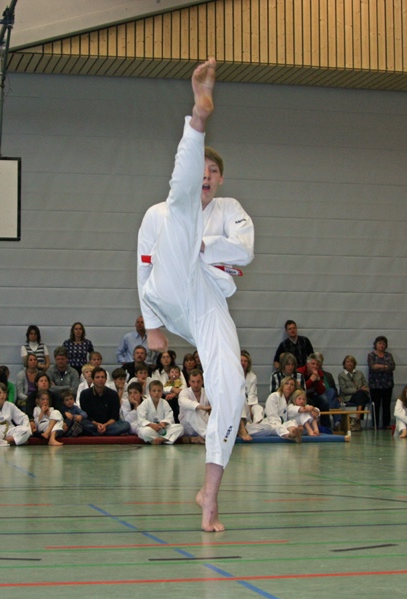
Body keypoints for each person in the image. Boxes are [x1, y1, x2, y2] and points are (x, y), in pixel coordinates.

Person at [136, 59, 253, 531]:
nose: (206, 176)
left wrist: (207, 248)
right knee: (180, 210)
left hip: (206, 302)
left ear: (220, 179)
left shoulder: (230, 209)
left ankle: (210, 495)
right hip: (168, 290)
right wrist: (152, 324)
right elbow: (143, 267)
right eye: (201, 168)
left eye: (212, 171)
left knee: (232, 389)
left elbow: (244, 252)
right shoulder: (158, 214)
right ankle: (198, 118)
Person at [79, 367, 132, 436]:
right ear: (93, 379)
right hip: (92, 423)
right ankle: (105, 432)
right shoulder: (85, 394)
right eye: (97, 377)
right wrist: (97, 424)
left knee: (126, 425)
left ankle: (96, 433)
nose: (100, 379)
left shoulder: (113, 394)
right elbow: (86, 415)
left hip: (109, 424)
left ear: (106, 379)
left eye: (102, 377)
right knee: (81, 423)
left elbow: (115, 416)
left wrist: (105, 425)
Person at [137, 380, 184, 444]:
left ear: (162, 392)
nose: (156, 393)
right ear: (150, 392)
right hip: (150, 429)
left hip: (162, 429)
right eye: (154, 391)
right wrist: (152, 425)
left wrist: (164, 423)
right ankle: (166, 438)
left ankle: (160, 439)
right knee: (144, 432)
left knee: (180, 427)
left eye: (159, 391)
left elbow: (170, 417)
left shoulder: (165, 403)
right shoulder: (145, 403)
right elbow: (141, 420)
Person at [262, 376, 304, 442]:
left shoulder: (293, 400)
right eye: (286, 383)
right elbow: (272, 416)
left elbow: (299, 410)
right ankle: (288, 435)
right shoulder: (274, 396)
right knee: (275, 427)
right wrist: (283, 426)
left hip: (285, 424)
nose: (289, 386)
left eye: (292, 384)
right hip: (271, 423)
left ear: (294, 388)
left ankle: (294, 432)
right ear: (282, 386)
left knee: (292, 422)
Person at [368, 336, 396, 430]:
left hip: (387, 384)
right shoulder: (371, 355)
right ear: (375, 344)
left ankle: (386, 424)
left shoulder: (389, 355)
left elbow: (392, 366)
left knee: (386, 405)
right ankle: (375, 424)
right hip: (374, 384)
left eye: (383, 344)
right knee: (375, 405)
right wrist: (385, 366)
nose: (381, 345)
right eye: (379, 343)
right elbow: (372, 367)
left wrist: (379, 366)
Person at [178, 369, 212, 441]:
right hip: (188, 427)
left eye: (198, 381)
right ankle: (207, 436)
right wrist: (202, 407)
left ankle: (206, 435)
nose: (196, 385)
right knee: (192, 410)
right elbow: (183, 402)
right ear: (189, 382)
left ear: (203, 381)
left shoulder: (208, 392)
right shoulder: (184, 392)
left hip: (205, 423)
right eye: (193, 382)